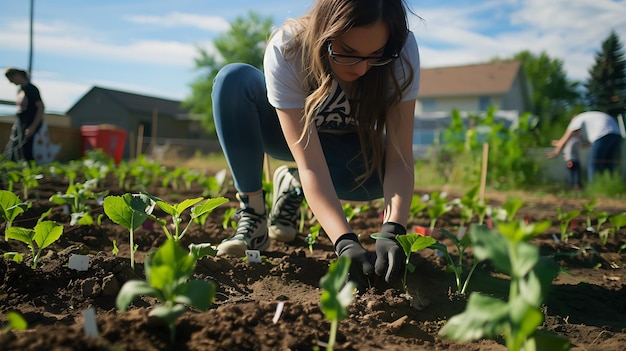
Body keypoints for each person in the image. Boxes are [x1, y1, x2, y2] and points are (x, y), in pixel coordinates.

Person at [211, 0, 420, 289]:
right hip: (288, 138)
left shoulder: (401, 51)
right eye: (348, 52)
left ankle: (293, 184)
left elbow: (400, 158)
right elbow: (311, 165)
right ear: (324, 32)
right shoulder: (288, 48)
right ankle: (253, 214)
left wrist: (393, 229)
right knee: (234, 81)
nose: (361, 69)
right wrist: (345, 242)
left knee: (379, 178)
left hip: (345, 150)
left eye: (375, 55)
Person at [547, 111, 622, 184]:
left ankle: (594, 188)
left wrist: (556, 152)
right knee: (609, 163)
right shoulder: (588, 118)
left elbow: (565, 139)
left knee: (594, 163)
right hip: (617, 133)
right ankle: (611, 185)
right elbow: (587, 143)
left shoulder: (576, 121)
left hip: (602, 133)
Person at [4, 67, 53, 163]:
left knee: (26, 149)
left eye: (11, 79)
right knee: (14, 149)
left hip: (30, 123)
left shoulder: (31, 89)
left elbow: (41, 107)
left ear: (16, 76)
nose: (11, 83)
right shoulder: (20, 90)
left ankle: (30, 172)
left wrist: (32, 127)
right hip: (21, 123)